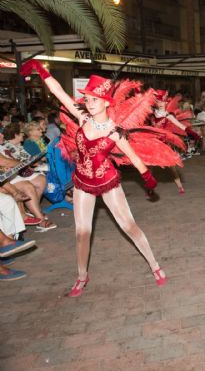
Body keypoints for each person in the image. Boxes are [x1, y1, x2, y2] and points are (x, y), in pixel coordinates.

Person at [21, 60, 174, 297]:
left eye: (94, 99)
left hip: (107, 182)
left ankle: (155, 265)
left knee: (129, 226)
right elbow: (59, 92)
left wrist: (148, 179)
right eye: (87, 99)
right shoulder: (83, 118)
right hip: (83, 182)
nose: (89, 103)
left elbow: (133, 157)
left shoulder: (114, 131)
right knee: (82, 233)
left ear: (105, 102)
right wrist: (41, 70)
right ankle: (82, 277)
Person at [151, 90, 199, 194]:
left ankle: (180, 186)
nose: (160, 103)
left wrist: (192, 133)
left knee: (172, 166)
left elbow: (180, 125)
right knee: (150, 165)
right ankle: (150, 188)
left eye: (162, 102)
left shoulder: (168, 115)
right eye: (158, 101)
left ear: (165, 103)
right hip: (153, 141)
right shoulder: (152, 113)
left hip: (163, 142)